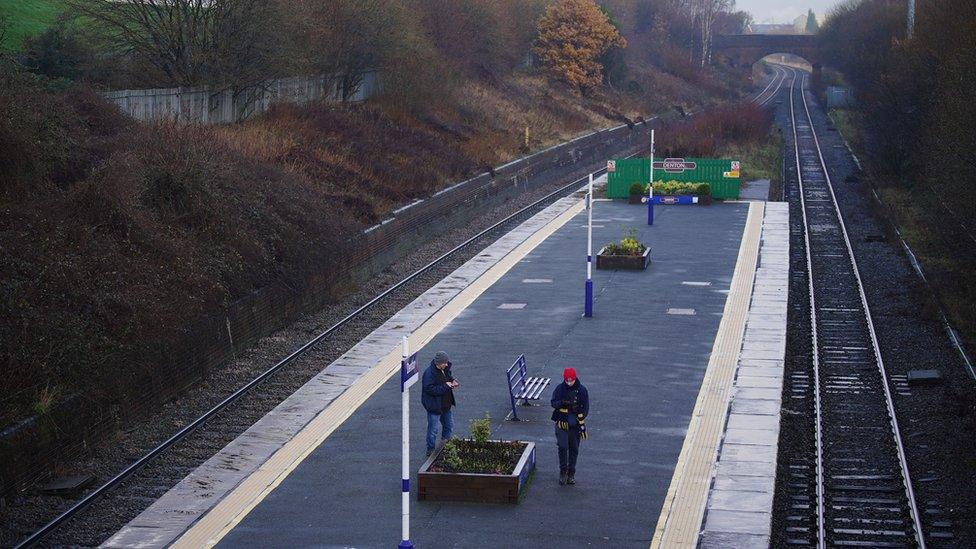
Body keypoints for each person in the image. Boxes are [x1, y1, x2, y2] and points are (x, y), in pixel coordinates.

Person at [551, 367, 589, 485]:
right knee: (562, 447)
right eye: (567, 381)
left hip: (575, 425)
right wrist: (562, 403)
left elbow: (586, 408)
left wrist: (578, 410)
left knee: (574, 449)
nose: (569, 383)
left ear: (575, 378)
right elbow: (553, 402)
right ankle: (563, 472)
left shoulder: (582, 390)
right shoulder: (559, 388)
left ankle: (571, 473)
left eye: (571, 380)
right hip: (561, 424)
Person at [421, 351, 459, 456]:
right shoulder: (429, 374)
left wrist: (453, 381)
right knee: (433, 430)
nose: (447, 364)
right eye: (445, 363)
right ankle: (430, 450)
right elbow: (430, 390)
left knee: (449, 426)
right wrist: (446, 386)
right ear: (439, 363)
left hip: (446, 405)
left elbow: (448, 377)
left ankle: (445, 446)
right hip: (435, 407)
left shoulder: (445, 369)